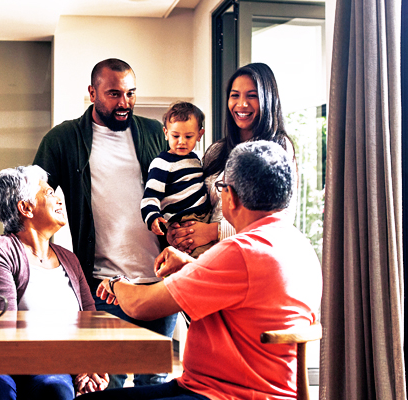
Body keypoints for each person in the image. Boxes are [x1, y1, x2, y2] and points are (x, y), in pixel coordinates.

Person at [81, 140, 322, 400]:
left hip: (224, 394)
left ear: (232, 197)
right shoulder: (299, 246)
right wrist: (192, 265)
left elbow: (142, 306)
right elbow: (245, 292)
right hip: (256, 389)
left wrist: (117, 282)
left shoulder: (239, 251)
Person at [33, 58, 177, 388]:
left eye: (131, 94)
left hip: (158, 281)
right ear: (92, 92)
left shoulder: (155, 132)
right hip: (103, 286)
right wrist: (42, 257)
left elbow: (177, 187)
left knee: (154, 381)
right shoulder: (63, 139)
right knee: (104, 381)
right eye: (114, 94)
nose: (124, 103)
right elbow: (34, 199)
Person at [0, 165, 108, 400]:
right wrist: (73, 365)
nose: (58, 199)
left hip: (50, 366)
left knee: (55, 388)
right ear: (26, 207)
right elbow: (2, 335)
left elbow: (90, 324)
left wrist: (89, 366)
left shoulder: (69, 259)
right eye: (49, 193)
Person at [167, 62, 296, 255]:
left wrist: (214, 232)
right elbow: (197, 199)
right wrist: (177, 229)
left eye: (252, 96)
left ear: (267, 99)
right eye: (235, 95)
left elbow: (280, 221)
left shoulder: (278, 148)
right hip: (206, 259)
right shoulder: (217, 151)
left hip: (248, 258)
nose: (241, 104)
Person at [140, 101, 210, 258]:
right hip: (182, 221)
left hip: (205, 217)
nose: (181, 142)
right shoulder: (162, 163)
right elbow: (150, 196)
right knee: (195, 260)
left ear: (200, 135)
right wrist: (152, 216)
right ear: (165, 133)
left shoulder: (196, 159)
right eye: (175, 136)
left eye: (188, 136)